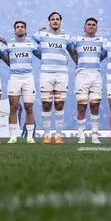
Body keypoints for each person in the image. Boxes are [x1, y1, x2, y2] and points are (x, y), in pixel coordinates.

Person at [33, 12, 75, 144]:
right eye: (52, 19)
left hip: (62, 74)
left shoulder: (66, 37)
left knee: (59, 104)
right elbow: (29, 44)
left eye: (57, 19)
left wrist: (80, 64)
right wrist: (43, 56)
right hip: (46, 73)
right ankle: (46, 135)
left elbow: (73, 52)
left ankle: (58, 136)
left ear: (60, 22)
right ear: (49, 22)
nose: (55, 21)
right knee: (46, 104)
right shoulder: (41, 35)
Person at [5, 21, 40, 144]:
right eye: (17, 27)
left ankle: (30, 137)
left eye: (22, 27)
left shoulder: (31, 43)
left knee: (29, 107)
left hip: (28, 78)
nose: (20, 29)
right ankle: (13, 136)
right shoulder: (9, 44)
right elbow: (2, 56)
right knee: (13, 107)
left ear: (25, 30)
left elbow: (41, 55)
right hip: (14, 78)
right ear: (14, 30)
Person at [72, 18, 106, 144]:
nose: (91, 27)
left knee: (95, 105)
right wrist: (77, 61)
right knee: (81, 106)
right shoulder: (77, 40)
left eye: (93, 25)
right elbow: (69, 48)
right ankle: (81, 136)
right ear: (84, 28)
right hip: (82, 75)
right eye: (89, 25)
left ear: (96, 28)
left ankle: (95, 136)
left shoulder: (102, 41)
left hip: (96, 75)